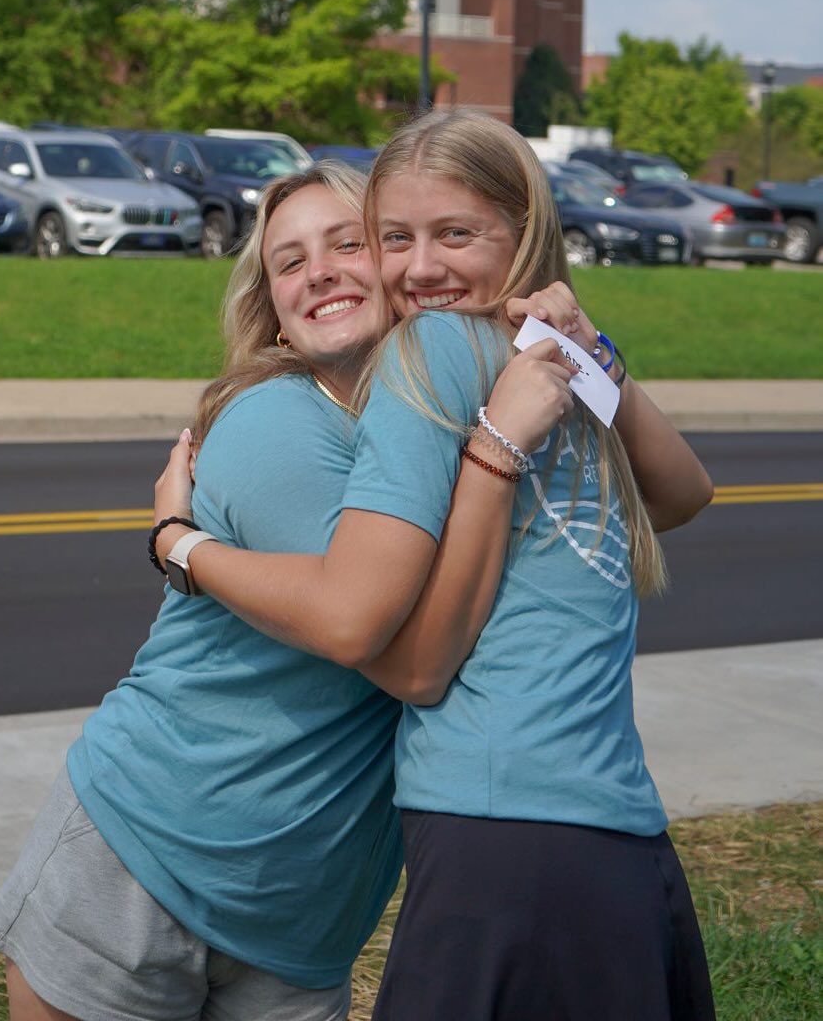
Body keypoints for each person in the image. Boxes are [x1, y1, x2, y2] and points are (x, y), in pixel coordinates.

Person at [0, 157, 574, 1021]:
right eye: (289, 262)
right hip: (147, 858)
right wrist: (177, 542)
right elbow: (389, 650)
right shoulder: (275, 423)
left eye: (346, 244)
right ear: (277, 314)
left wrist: (563, 331)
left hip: (303, 916)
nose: (318, 271)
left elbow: (671, 492)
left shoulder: (436, 418)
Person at [152, 109, 716, 1021]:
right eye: (395, 239)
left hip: (501, 826)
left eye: (455, 234)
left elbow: (405, 660)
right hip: (621, 835)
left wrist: (180, 544)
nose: (420, 269)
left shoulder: (437, 349)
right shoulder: (542, 360)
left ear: (522, 231)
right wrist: (583, 353)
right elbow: (686, 496)